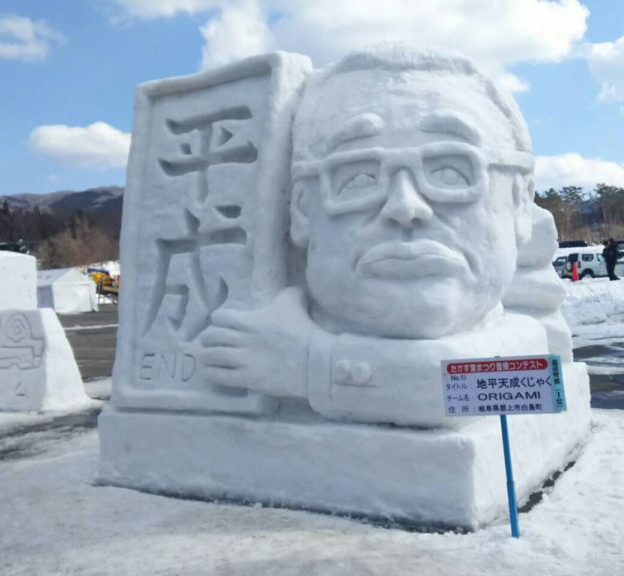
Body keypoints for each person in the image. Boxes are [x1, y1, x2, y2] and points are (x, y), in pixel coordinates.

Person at [200, 45, 551, 427]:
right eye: (359, 177)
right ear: (300, 209)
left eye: (450, 172)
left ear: (520, 203)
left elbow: (458, 390)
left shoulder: (527, 343)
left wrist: (310, 364)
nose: (405, 207)